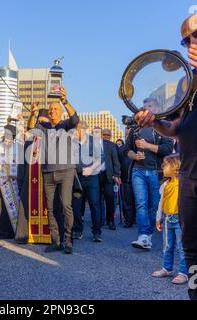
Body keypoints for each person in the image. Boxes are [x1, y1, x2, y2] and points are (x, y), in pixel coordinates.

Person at [134, 13, 197, 300]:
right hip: (189, 177)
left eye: (196, 35)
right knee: (193, 251)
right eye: (186, 39)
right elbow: (174, 128)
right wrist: (153, 122)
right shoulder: (188, 85)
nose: (190, 43)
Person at [28, 88, 79, 254]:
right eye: (50, 110)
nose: (52, 112)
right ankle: (56, 241)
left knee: (66, 205)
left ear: (61, 112)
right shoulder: (44, 127)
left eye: (55, 109)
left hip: (66, 171)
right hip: (48, 172)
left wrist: (65, 101)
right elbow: (30, 129)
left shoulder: (66, 125)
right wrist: (33, 113)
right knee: (51, 208)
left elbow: (75, 118)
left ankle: (68, 240)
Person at [124, 100, 173, 250]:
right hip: (137, 170)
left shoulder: (163, 127)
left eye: (150, 107)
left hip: (155, 171)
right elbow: (126, 149)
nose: (146, 110)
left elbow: (168, 148)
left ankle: (149, 234)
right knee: (141, 203)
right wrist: (134, 155)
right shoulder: (136, 128)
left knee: (153, 206)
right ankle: (143, 235)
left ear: (157, 109)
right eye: (145, 107)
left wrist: (147, 146)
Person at [15, 109, 52, 245]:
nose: (41, 125)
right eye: (39, 122)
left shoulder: (52, 136)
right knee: (27, 204)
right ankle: (25, 234)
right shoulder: (31, 137)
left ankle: (50, 235)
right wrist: (32, 114)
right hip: (30, 179)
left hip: (47, 178)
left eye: (44, 122)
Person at [152, 154, 188, 285]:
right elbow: (161, 203)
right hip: (167, 218)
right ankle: (167, 268)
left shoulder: (184, 183)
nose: (162, 167)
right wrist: (158, 218)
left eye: (165, 165)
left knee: (182, 247)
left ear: (175, 167)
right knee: (167, 245)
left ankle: (184, 272)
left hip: (181, 220)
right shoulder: (165, 184)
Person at [72, 121, 102, 242]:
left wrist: (91, 168)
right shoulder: (72, 142)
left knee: (94, 205)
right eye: (76, 129)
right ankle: (78, 230)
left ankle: (97, 232)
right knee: (76, 206)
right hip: (77, 178)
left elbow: (100, 159)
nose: (77, 132)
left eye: (79, 129)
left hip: (91, 177)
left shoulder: (93, 141)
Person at [98, 128, 121, 230]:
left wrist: (116, 174)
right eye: (104, 134)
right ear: (101, 135)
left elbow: (116, 161)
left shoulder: (112, 145)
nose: (106, 136)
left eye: (108, 135)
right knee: (97, 200)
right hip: (96, 175)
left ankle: (110, 220)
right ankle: (99, 220)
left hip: (109, 176)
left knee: (110, 199)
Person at [118, 127, 136, 228]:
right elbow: (117, 163)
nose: (127, 137)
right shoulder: (121, 149)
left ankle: (135, 219)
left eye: (129, 135)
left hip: (137, 177)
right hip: (125, 178)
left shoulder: (137, 148)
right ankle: (128, 220)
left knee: (137, 200)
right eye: (126, 135)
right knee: (127, 201)